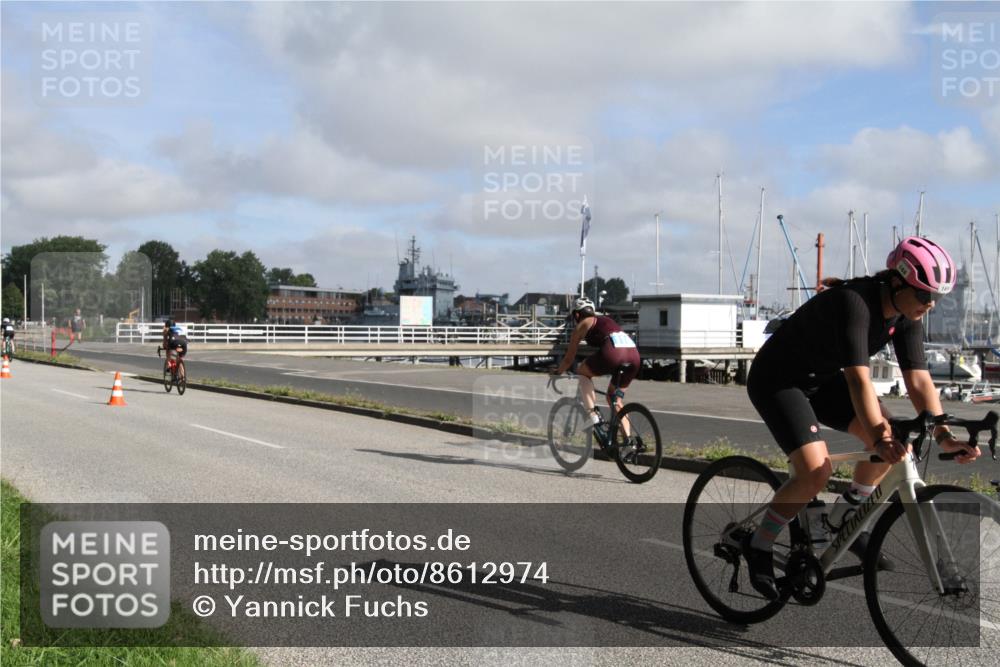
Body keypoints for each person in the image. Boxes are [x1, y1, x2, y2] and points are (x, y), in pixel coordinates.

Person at [743, 236, 979, 600]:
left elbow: (918, 379)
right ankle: (759, 544)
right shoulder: (856, 303)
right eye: (924, 295)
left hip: (820, 380)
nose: (930, 305)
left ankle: (841, 521)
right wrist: (881, 435)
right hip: (778, 379)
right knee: (816, 470)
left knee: (896, 447)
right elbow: (858, 379)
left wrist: (944, 435)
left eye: (937, 298)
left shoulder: (906, 314)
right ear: (898, 281)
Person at [550, 297, 641, 430]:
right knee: (614, 399)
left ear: (576, 314)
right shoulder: (607, 320)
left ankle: (593, 414)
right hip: (634, 355)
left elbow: (569, 359)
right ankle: (629, 443)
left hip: (614, 353)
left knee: (582, 372)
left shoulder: (581, 325)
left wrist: (558, 372)